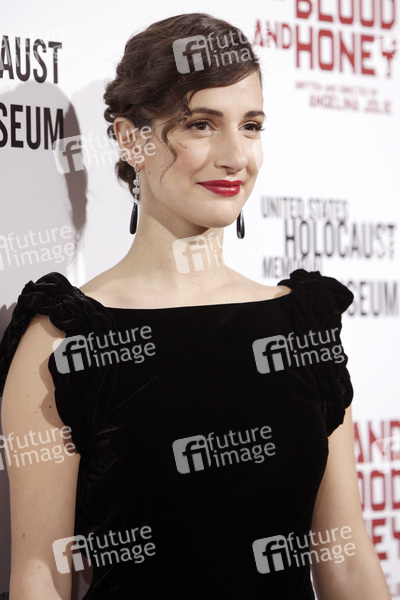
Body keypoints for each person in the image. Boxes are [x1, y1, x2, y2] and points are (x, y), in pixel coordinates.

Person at [0, 12, 391, 600]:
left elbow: (348, 560)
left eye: (251, 126)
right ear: (131, 139)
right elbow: (39, 577)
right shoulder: (65, 337)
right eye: (202, 125)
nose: (236, 156)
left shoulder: (303, 324)